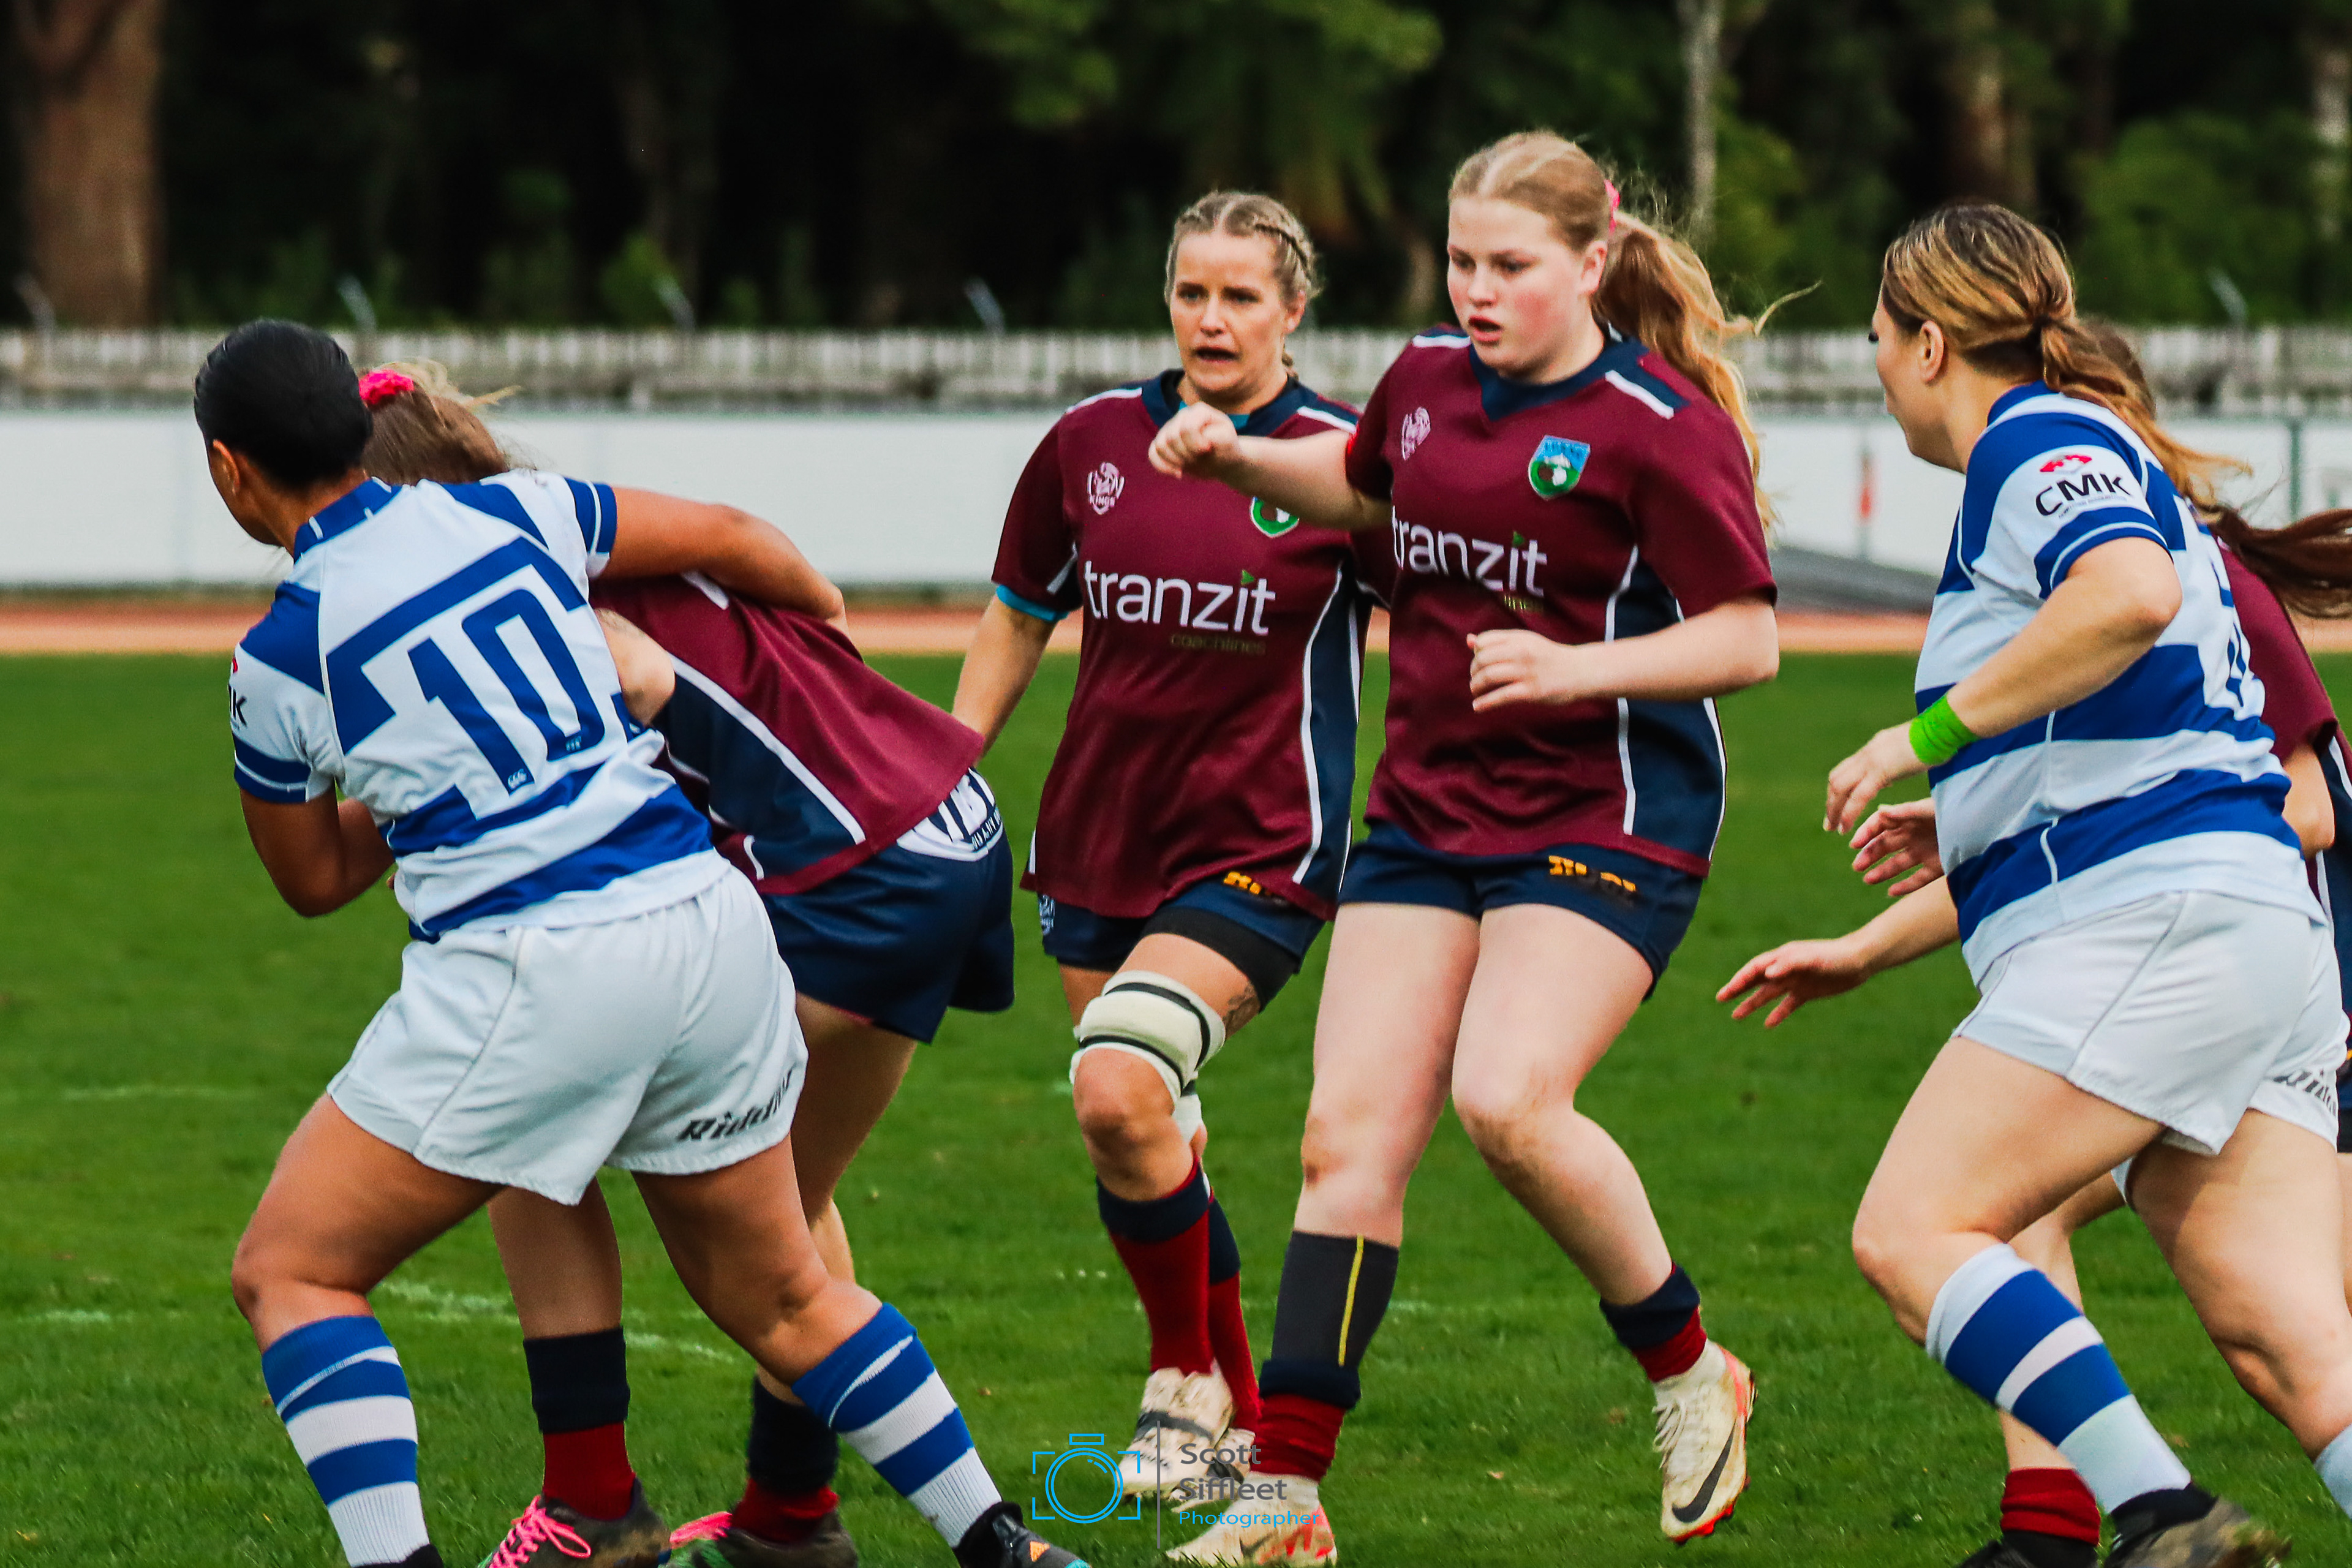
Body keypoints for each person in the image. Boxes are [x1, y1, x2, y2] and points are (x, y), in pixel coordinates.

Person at [206, 322, 1080, 1568]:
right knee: (787, 1294)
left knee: (292, 1271)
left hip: (537, 961)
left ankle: (498, 1533)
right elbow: (720, 530)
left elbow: (313, 880)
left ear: (231, 468)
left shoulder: (277, 659)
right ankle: (1002, 1544)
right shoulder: (518, 510)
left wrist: (429, 778)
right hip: (710, 929)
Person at [1145, 131, 1779, 1561]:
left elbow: (1749, 639)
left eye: (1511, 266)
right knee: (1345, 1141)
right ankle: (1285, 1500)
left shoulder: (1655, 424)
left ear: (1594, 263)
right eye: (1460, 262)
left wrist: (1577, 671)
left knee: (1510, 1099)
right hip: (1429, 811)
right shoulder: (1427, 380)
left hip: (1606, 814)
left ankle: (1694, 1370)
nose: (1477, 291)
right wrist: (1240, 453)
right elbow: (1363, 491)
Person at [1717, 205, 2352, 1568]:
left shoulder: (2032, 437)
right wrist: (1971, 820)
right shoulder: (2076, 448)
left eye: (1878, 338)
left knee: (1917, 1226)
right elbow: (2125, 700)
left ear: (1930, 344)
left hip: (2163, 919)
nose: (1879, 368)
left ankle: (2161, 1514)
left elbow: (2125, 595)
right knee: (2290, 1342)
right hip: (2248, 932)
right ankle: (2153, 1515)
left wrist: (1925, 738)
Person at [950, 191, 1371, 1507]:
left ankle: (1182, 1380)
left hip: (1263, 845)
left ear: (1294, 310)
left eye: (1242, 295)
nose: (1212, 317)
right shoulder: (1088, 443)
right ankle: (1229, 1418)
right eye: (1194, 291)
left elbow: (1436, 632)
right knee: (1149, 1125)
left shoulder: (1344, 463)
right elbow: (1016, 615)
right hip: (1097, 838)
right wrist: (944, 763)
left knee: (1120, 1085)